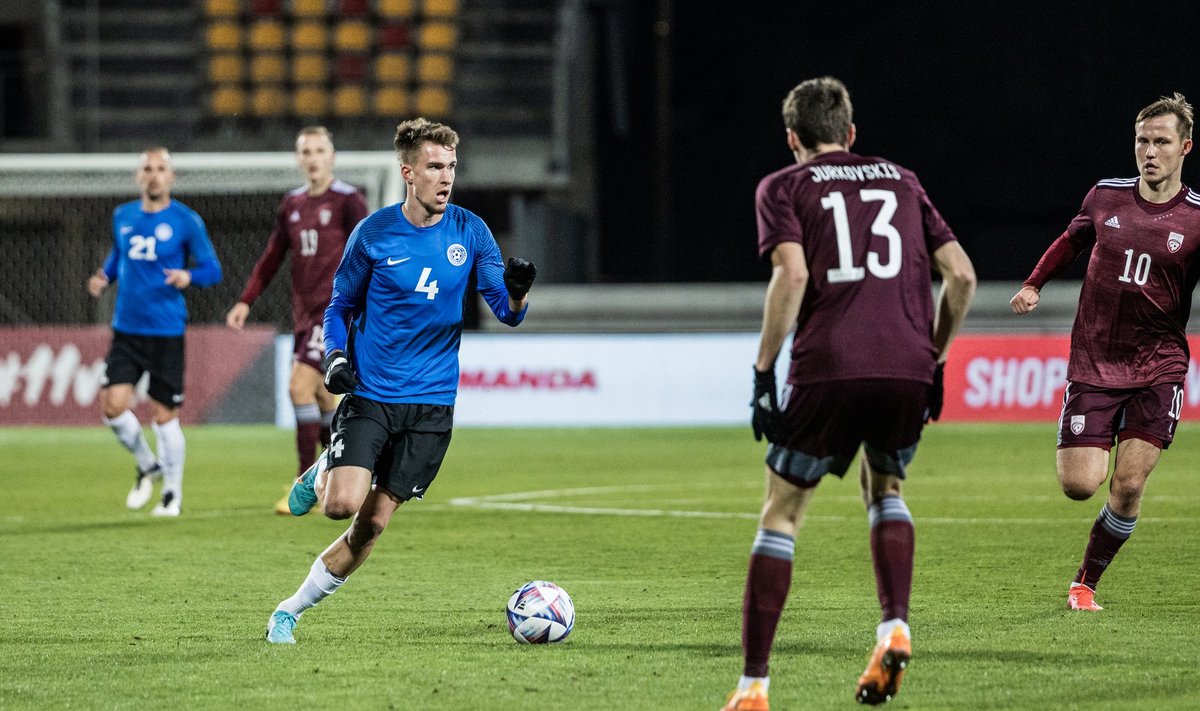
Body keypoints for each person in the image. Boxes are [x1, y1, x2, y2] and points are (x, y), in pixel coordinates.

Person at [721, 77, 976, 710]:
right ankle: (894, 626)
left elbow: (794, 273)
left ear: (792, 138)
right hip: (906, 367)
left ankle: (753, 688)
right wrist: (935, 357)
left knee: (782, 511)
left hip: (828, 365)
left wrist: (761, 372)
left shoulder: (783, 186)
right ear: (851, 133)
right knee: (884, 486)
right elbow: (963, 276)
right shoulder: (904, 180)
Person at [263, 117, 538, 644]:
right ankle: (324, 467)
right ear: (408, 171)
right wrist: (337, 357)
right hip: (372, 394)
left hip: (432, 407)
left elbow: (506, 312)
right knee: (339, 506)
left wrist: (519, 291)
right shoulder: (372, 234)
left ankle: (289, 611)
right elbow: (340, 305)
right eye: (436, 166)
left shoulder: (470, 231)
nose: (446, 176)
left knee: (371, 524)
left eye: (452, 166)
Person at [1010, 93, 1200, 613]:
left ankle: (1084, 584)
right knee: (1079, 486)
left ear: (1185, 146)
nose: (1150, 152)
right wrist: (1033, 285)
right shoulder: (1105, 196)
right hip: (1095, 361)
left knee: (1130, 484)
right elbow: (1068, 242)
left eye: (1161, 142)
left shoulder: (1198, 219)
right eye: (1142, 141)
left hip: (1159, 366)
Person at [225, 126, 369, 514]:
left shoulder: (349, 200)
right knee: (324, 399)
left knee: (298, 387)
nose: (313, 157)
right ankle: (335, 479)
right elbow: (272, 258)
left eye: (320, 150)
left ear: (332, 156)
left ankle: (303, 484)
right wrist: (245, 301)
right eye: (306, 151)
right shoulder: (291, 204)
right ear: (298, 158)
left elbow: (373, 249)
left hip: (335, 312)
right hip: (304, 316)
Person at [86, 147, 223, 517]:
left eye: (161, 169)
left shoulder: (186, 221)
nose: (154, 174)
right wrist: (105, 275)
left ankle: (171, 495)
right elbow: (120, 254)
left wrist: (188, 276)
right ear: (138, 175)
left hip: (166, 331)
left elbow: (213, 270)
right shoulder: (123, 215)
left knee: (164, 416)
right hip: (127, 330)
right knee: (112, 407)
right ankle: (148, 464)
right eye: (147, 168)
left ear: (171, 177)